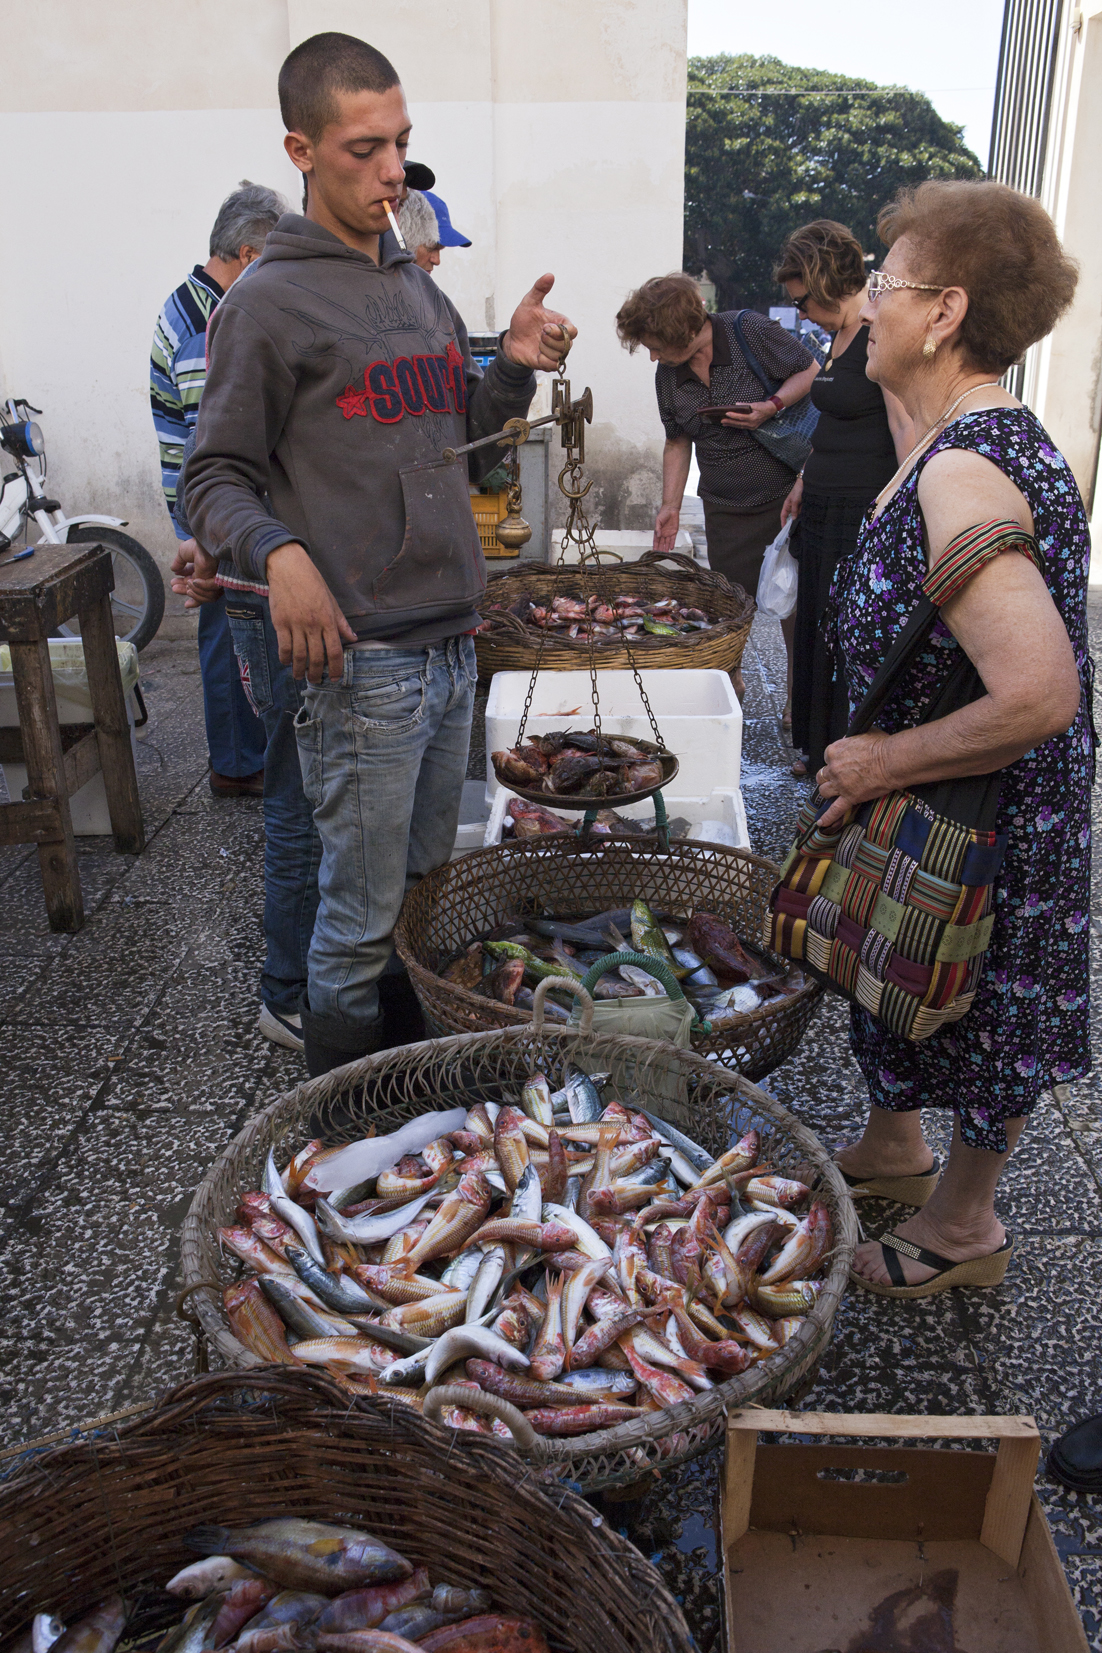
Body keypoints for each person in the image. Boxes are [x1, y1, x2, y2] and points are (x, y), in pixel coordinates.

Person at [184, 31, 576, 1077]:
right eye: (364, 148)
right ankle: (340, 1130)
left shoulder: (414, 284)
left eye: (400, 142)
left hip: (449, 640)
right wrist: (277, 554)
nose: (393, 169)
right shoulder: (265, 300)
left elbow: (462, 433)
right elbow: (211, 474)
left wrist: (517, 369)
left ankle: (409, 1102)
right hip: (365, 660)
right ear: (301, 150)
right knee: (357, 921)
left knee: (426, 893)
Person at [814, 179, 1089, 1296]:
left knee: (979, 999)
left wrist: (883, 759)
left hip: (986, 804)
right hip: (952, 797)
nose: (863, 305)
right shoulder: (963, 438)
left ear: (943, 312)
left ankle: (963, 1228)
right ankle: (894, 1148)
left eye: (883, 286)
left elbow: (1036, 695)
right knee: (911, 970)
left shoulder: (968, 471)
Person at [615, 273, 819, 699]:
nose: (652, 356)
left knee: (796, 604)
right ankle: (727, 688)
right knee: (725, 607)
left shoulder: (749, 330)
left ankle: (799, 699)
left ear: (685, 330)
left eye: (656, 345)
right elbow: (677, 439)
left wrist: (771, 406)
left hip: (787, 493)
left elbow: (811, 370)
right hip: (725, 504)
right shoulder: (669, 375)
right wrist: (669, 504)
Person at [151, 183, 283, 797]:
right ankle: (236, 764)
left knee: (234, 634)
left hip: (209, 508)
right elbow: (220, 436)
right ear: (250, 254)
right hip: (213, 512)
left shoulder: (198, 302)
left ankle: (241, 756)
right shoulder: (211, 319)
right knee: (230, 637)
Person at [774, 221, 912, 778]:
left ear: (826, 282)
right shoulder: (838, 334)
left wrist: (905, 506)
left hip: (862, 507)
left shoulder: (879, 330)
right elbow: (832, 420)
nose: (800, 314)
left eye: (802, 300)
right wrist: (805, 477)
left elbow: (905, 425)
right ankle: (817, 748)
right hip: (823, 501)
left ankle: (846, 753)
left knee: (847, 634)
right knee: (814, 628)